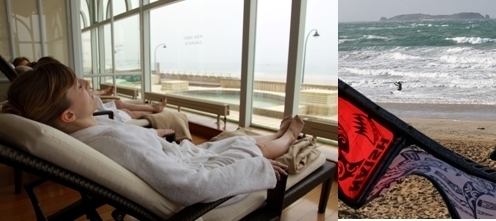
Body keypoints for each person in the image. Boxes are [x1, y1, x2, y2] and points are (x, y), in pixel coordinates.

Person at [1, 62, 302, 206]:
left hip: (181, 159)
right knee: (247, 152)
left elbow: (135, 148)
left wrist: (152, 138)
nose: (86, 82)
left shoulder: (93, 132)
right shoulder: (113, 142)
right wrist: (254, 169)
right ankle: (288, 139)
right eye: (78, 86)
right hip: (197, 182)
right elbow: (192, 187)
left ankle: (279, 135)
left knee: (237, 139)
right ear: (67, 115)